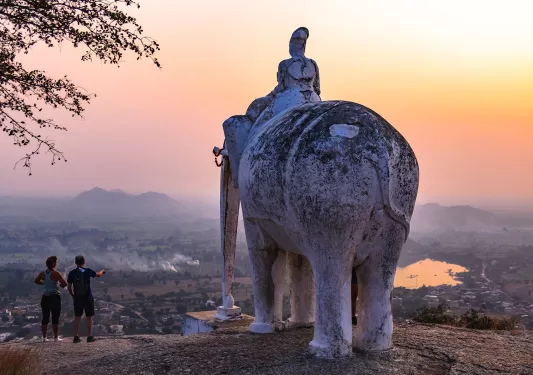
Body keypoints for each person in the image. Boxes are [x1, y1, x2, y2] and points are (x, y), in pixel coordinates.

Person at [67, 256, 105, 343]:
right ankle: (89, 336)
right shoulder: (87, 271)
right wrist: (102, 271)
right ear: (84, 262)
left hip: (78, 298)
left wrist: (72, 294)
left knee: (77, 318)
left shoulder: (72, 273)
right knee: (89, 317)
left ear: (75, 263)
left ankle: (75, 337)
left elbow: (68, 286)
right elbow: (98, 275)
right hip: (88, 297)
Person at [34, 256, 68, 342]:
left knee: (45, 317)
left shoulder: (42, 273)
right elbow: (64, 284)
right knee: (55, 317)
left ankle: (44, 338)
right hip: (55, 297)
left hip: (45, 297)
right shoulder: (56, 274)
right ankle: (56, 337)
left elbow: (36, 281)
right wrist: (58, 285)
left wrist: (45, 283)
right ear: (54, 264)